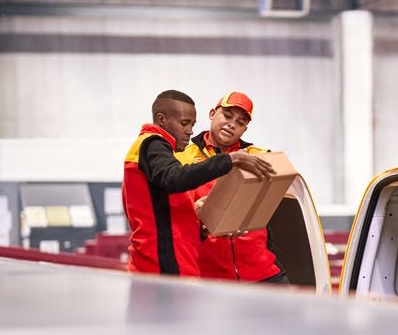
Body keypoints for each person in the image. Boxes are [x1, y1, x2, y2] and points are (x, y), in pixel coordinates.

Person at [122, 89, 274, 277]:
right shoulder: (151, 143)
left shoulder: (163, 155)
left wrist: (200, 229)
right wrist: (229, 161)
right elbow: (174, 178)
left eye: (192, 125)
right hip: (162, 269)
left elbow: (171, 213)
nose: (190, 131)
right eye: (184, 124)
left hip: (182, 266)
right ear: (162, 120)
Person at [176, 91, 289, 284]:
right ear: (212, 113)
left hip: (263, 272)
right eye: (227, 116)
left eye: (240, 122)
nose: (232, 124)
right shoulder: (182, 158)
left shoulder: (260, 156)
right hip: (210, 276)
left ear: (244, 129)